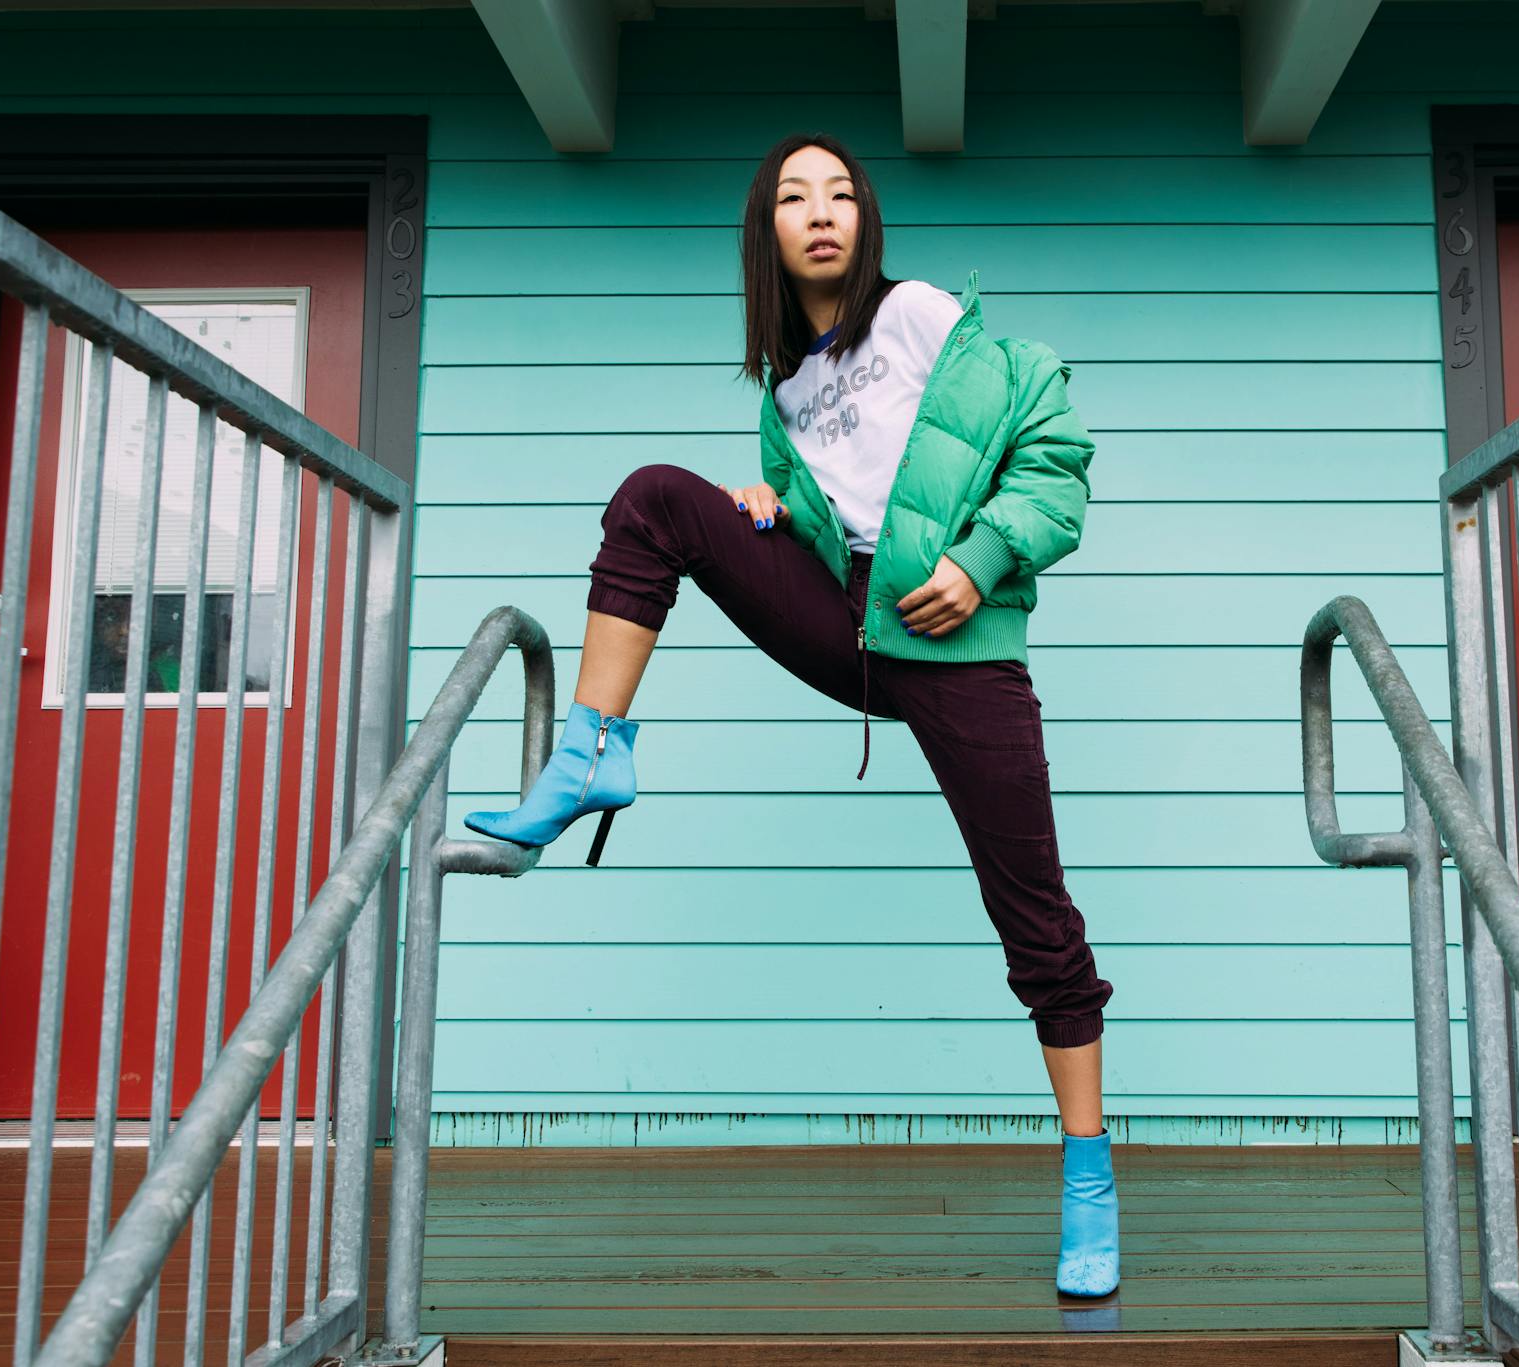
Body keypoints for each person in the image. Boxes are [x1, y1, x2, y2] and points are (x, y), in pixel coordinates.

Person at [462, 131, 1119, 1298]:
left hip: (954, 637)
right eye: (791, 197)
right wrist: (775, 504)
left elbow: (1053, 451)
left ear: (865, 218)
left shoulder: (918, 317)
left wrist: (980, 556)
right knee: (658, 502)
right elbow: (833, 516)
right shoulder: (782, 387)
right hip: (852, 629)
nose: (820, 212)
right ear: (764, 229)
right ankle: (589, 756)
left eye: (840, 193)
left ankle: (1085, 1174)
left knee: (1036, 922)